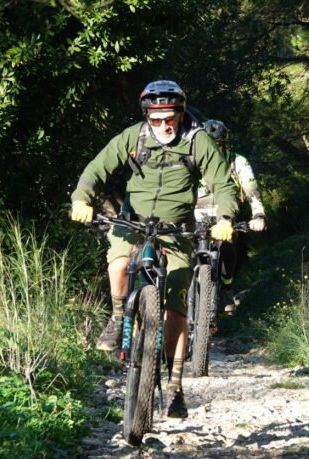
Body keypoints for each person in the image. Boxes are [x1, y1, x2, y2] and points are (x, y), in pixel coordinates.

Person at [69, 80, 238, 419]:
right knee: (118, 265)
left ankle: (175, 388)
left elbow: (223, 184)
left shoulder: (198, 140)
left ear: (180, 113)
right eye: (157, 117)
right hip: (132, 222)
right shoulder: (133, 137)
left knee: (176, 309)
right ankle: (118, 319)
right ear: (148, 115)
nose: (164, 124)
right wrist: (81, 197)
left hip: (176, 230)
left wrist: (226, 217)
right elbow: (97, 168)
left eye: (170, 116)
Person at [195, 119, 266, 314]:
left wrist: (258, 214)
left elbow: (252, 191)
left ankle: (226, 288)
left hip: (224, 214)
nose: (213, 150)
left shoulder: (238, 162)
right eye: (208, 145)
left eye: (217, 145)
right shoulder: (192, 160)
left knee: (225, 243)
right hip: (194, 214)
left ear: (224, 144)